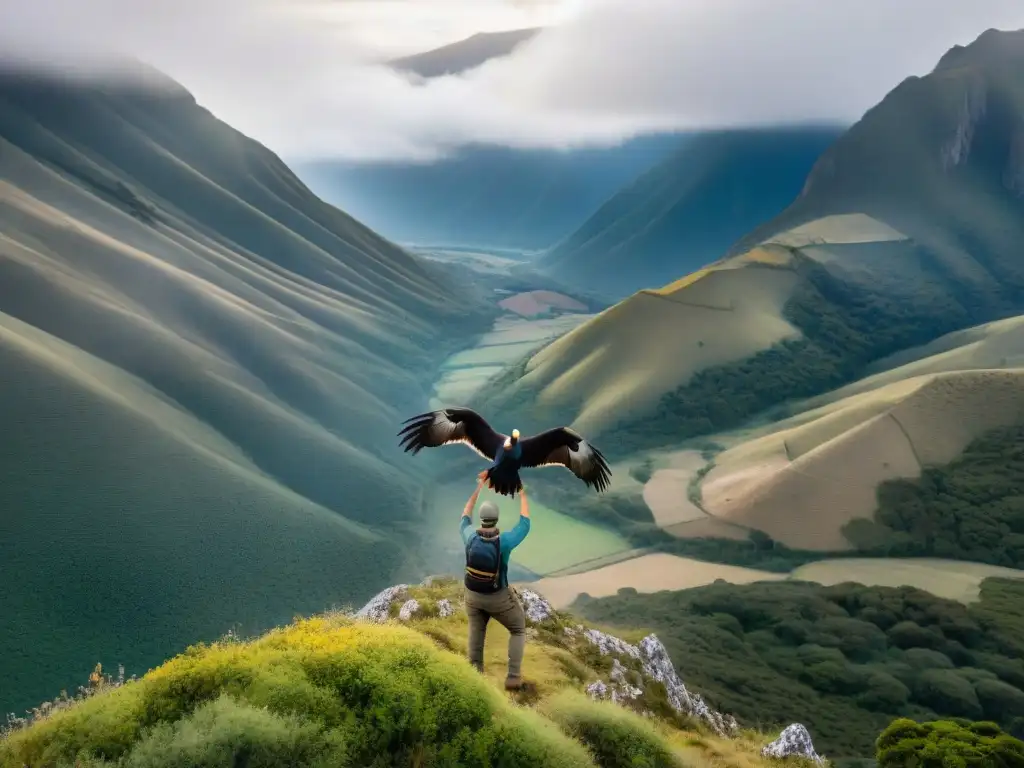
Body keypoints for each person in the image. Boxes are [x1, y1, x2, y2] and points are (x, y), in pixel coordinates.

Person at [460, 476, 532, 690]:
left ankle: (474, 676)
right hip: (498, 597)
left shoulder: (469, 535)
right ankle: (513, 677)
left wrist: (478, 488)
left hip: (472, 595)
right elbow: (525, 523)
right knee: (518, 628)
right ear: (496, 518)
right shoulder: (505, 541)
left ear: (481, 519)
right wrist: (522, 493)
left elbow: (465, 515)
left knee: (476, 629)